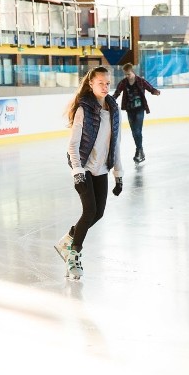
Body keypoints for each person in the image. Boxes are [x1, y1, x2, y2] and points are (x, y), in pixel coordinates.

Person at [54, 66, 123, 280]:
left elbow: (116, 144)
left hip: (101, 168)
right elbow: (72, 146)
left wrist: (118, 175)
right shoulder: (84, 109)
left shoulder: (113, 110)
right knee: (89, 210)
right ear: (91, 84)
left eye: (108, 83)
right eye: (100, 83)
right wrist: (77, 172)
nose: (105, 86)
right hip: (83, 167)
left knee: (98, 212)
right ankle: (73, 255)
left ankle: (68, 239)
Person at [113, 63, 160, 163]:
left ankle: (139, 151)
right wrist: (110, 100)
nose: (127, 76)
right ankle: (140, 150)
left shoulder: (140, 81)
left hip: (140, 109)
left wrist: (155, 91)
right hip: (130, 110)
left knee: (137, 131)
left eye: (128, 74)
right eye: (125, 74)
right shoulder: (123, 82)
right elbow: (117, 92)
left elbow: (150, 88)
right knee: (134, 132)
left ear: (133, 72)